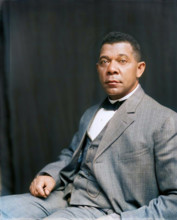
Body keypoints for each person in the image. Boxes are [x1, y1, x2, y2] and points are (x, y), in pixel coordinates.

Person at [1, 31, 177, 220]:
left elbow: (174, 201)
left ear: (140, 68)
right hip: (66, 194)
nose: (111, 69)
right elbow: (71, 154)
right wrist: (51, 175)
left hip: (108, 210)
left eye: (122, 61)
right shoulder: (90, 113)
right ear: (98, 68)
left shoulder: (164, 121)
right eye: (104, 61)